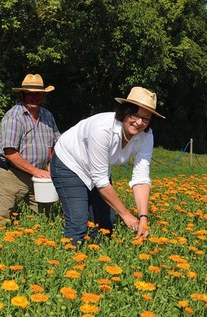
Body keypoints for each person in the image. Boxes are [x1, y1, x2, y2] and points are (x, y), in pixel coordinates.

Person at [50, 87, 164, 246]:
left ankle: (97, 262)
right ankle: (67, 264)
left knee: (106, 222)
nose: (139, 122)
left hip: (98, 169)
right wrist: (126, 215)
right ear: (124, 112)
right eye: (135, 115)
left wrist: (143, 217)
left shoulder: (146, 136)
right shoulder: (102, 128)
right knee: (78, 222)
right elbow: (101, 180)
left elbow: (141, 178)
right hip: (70, 164)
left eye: (145, 119)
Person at [0, 73, 61, 226]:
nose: (34, 97)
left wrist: (50, 167)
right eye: (30, 94)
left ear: (43, 96)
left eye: (38, 94)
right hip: (14, 175)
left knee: (43, 216)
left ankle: (38, 243)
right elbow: (10, 152)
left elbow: (56, 146)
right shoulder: (14, 117)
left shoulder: (47, 116)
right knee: (2, 216)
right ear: (22, 95)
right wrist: (36, 171)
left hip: (40, 176)